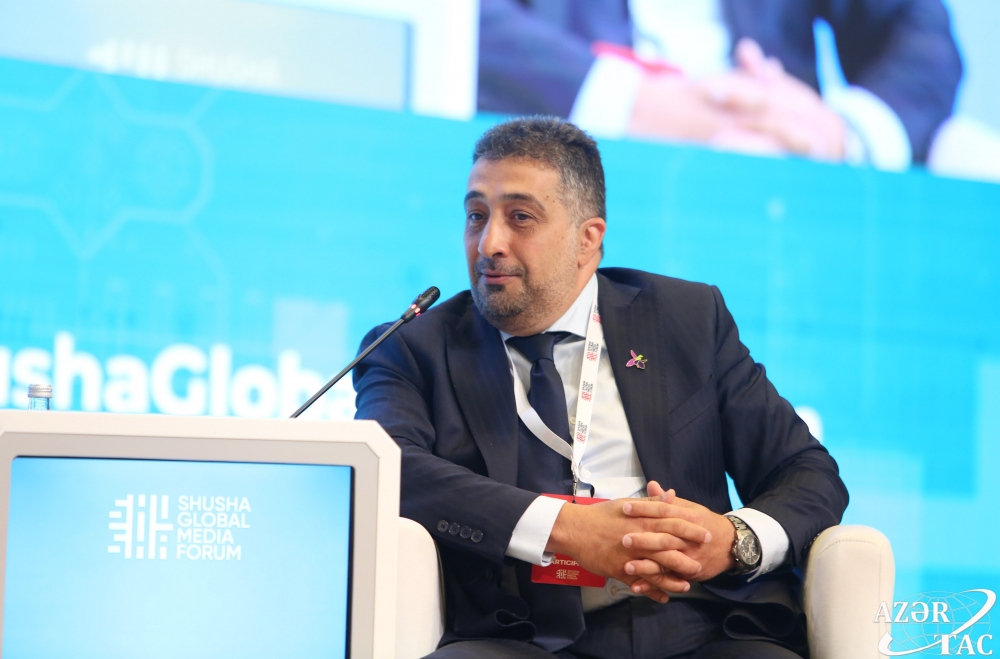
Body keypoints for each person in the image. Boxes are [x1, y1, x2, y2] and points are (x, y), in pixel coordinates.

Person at [353, 117, 849, 658]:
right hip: (518, 635)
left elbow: (806, 472)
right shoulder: (411, 348)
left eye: (520, 217)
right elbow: (389, 469)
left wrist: (733, 542)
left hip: (699, 625)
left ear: (587, 239)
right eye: (477, 216)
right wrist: (567, 528)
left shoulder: (685, 317)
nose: (489, 243)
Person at [477, 0, 961, 170]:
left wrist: (841, 133)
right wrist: (632, 104)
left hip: (777, 183)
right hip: (556, 175)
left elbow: (919, 30)